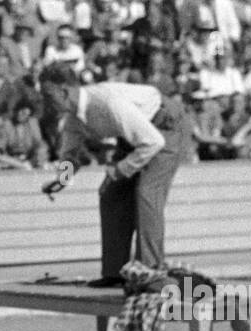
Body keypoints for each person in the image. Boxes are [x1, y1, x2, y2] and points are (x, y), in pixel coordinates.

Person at [39, 62, 184, 286]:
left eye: (48, 95)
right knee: (110, 193)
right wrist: (61, 180)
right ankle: (114, 273)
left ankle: (151, 270)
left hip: (163, 126)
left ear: (64, 90)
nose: (45, 102)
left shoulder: (108, 103)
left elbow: (154, 142)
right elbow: (70, 154)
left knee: (147, 193)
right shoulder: (73, 119)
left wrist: (119, 170)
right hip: (135, 137)